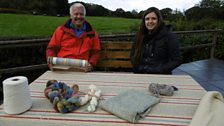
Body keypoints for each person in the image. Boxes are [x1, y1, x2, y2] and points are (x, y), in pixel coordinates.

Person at [46, 2, 101, 72]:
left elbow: (96, 52)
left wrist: (91, 64)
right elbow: (51, 49)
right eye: (76, 14)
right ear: (71, 15)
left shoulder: (92, 33)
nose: (79, 17)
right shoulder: (60, 30)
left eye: (81, 14)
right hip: (62, 68)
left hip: (83, 69)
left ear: (85, 15)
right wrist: (51, 64)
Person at [130, 7, 182, 74]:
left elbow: (177, 60)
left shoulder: (169, 36)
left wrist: (160, 69)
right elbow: (132, 55)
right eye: (147, 19)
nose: (150, 21)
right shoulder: (139, 36)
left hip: (161, 76)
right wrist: (138, 68)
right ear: (144, 21)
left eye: (153, 18)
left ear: (159, 20)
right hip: (140, 74)